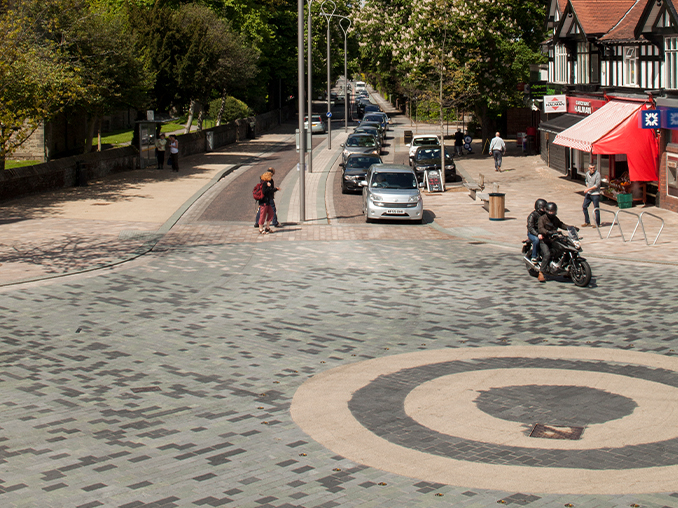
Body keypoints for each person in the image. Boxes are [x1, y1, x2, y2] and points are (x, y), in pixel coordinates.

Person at [537, 202, 574, 283]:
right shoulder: (542, 219)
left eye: (553, 211)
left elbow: (561, 224)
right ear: (546, 210)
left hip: (554, 239)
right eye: (550, 211)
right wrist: (547, 232)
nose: (552, 213)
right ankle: (541, 272)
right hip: (545, 240)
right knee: (547, 254)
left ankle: (567, 270)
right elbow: (540, 228)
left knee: (566, 249)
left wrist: (570, 227)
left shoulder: (555, 219)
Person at [527, 198, 547, 263]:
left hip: (542, 232)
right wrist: (537, 234)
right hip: (533, 233)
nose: (544, 210)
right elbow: (530, 227)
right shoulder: (532, 215)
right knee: (536, 240)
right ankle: (534, 257)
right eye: (542, 208)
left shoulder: (545, 215)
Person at [582, 164, 601, 228]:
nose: (593, 169)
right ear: (588, 168)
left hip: (595, 194)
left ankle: (597, 223)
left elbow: (597, 185)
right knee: (584, 206)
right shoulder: (587, 174)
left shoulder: (597, 174)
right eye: (591, 168)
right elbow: (586, 181)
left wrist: (588, 189)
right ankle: (587, 222)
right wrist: (587, 186)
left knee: (596, 208)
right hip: (589, 193)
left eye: (594, 168)